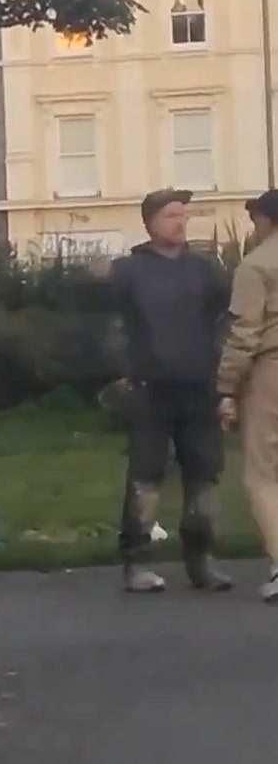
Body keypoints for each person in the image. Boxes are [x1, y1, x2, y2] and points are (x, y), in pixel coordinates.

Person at [109, 188, 232, 593]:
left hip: (198, 384)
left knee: (203, 475)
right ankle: (138, 561)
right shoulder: (128, 271)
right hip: (149, 386)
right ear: (150, 222)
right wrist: (120, 370)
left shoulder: (204, 269)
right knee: (146, 476)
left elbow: (225, 319)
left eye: (183, 215)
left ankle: (201, 559)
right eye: (171, 215)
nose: (180, 222)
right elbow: (111, 325)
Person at [217, 189, 278, 602]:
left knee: (264, 473)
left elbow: (245, 334)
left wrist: (226, 387)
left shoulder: (256, 266)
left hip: (271, 369)